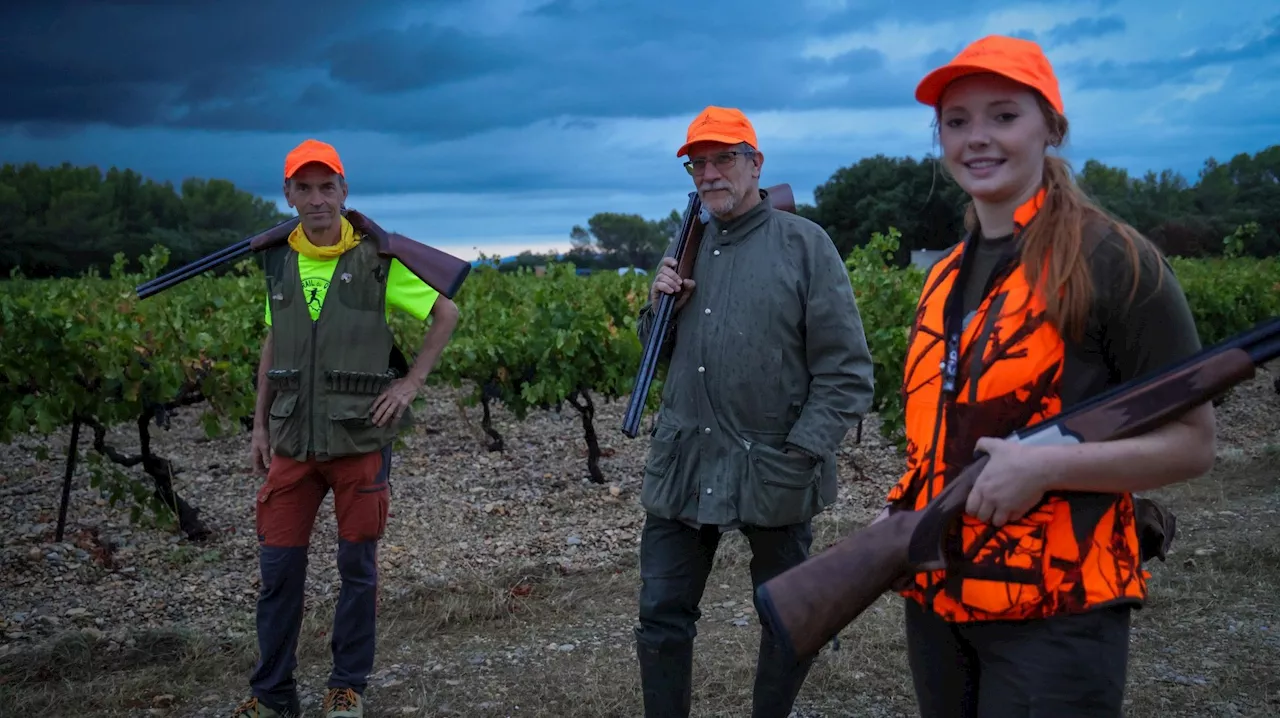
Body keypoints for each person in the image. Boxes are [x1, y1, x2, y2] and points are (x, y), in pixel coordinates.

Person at [879, 35, 1217, 717]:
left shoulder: (1116, 259)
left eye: (1004, 116)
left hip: (1058, 608)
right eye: (957, 120)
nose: (977, 138)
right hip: (940, 600)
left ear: (1050, 128)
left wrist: (1045, 470)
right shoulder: (942, 276)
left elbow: (1194, 443)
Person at [633, 106, 876, 718]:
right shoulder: (687, 243)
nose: (709, 173)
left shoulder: (805, 244)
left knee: (788, 616)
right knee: (661, 614)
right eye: (698, 163)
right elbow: (659, 355)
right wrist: (660, 305)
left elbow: (847, 369)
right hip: (685, 460)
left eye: (723, 159)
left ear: (755, 164)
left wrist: (801, 452)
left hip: (773, 462)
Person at [233, 139, 460, 718]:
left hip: (360, 440)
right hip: (291, 443)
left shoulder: (378, 260)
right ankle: (272, 694)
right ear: (287, 194)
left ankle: (346, 685)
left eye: (326, 187)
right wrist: (258, 425)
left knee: (357, 570)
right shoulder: (279, 259)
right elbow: (272, 343)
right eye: (303, 188)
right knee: (279, 573)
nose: (316, 199)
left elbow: (446, 313)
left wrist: (409, 384)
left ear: (344, 191)